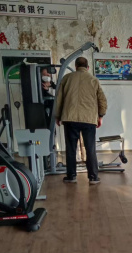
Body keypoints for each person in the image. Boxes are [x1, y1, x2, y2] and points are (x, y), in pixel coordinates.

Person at [55, 57, 107, 185]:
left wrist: (58, 115)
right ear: (87, 67)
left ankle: (71, 176)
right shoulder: (93, 80)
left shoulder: (67, 78)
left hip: (70, 118)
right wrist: (100, 116)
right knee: (90, 148)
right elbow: (102, 100)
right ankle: (93, 177)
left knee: (71, 148)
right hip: (88, 119)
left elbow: (59, 99)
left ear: (76, 66)